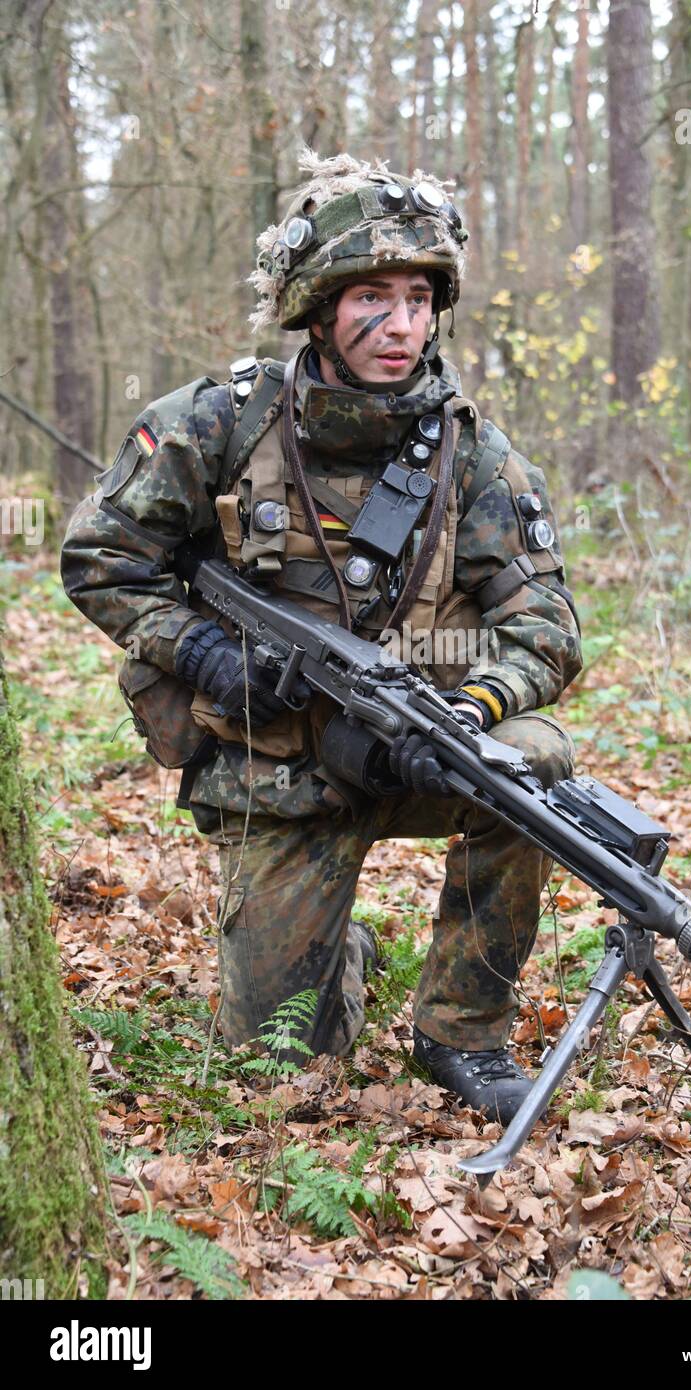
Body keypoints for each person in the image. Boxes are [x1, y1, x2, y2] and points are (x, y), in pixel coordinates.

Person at [60, 150, 582, 1125]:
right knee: (279, 1079)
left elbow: (546, 624)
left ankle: (462, 1029)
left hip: (417, 747)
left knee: (534, 767)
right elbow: (99, 555)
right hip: (279, 775)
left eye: (421, 299)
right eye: (372, 298)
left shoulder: (475, 455)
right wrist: (202, 650)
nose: (401, 326)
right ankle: (336, 955)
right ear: (315, 307)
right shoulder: (217, 422)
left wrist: (472, 709)